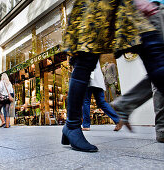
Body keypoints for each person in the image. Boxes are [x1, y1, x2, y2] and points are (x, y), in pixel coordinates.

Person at [62, 0, 164, 152]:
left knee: (154, 51)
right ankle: (71, 126)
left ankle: (71, 127)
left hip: (125, 4)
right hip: (99, 4)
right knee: (86, 59)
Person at [111, 0, 164, 143]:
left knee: (157, 71)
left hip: (149, 12)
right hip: (151, 11)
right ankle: (162, 129)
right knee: (159, 70)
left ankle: (126, 103)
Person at [82, 61, 122, 131]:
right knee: (101, 102)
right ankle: (118, 120)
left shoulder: (84, 52)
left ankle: (86, 125)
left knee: (86, 101)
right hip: (98, 80)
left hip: (88, 79)